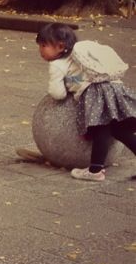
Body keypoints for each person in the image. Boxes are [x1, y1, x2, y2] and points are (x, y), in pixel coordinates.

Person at [36, 22, 136, 182]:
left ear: (60, 46)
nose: (40, 50)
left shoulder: (57, 64)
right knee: (118, 130)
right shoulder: (82, 57)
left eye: (43, 45)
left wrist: (67, 89)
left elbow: (57, 93)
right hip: (114, 88)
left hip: (95, 93)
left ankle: (95, 170)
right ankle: (96, 168)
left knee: (100, 129)